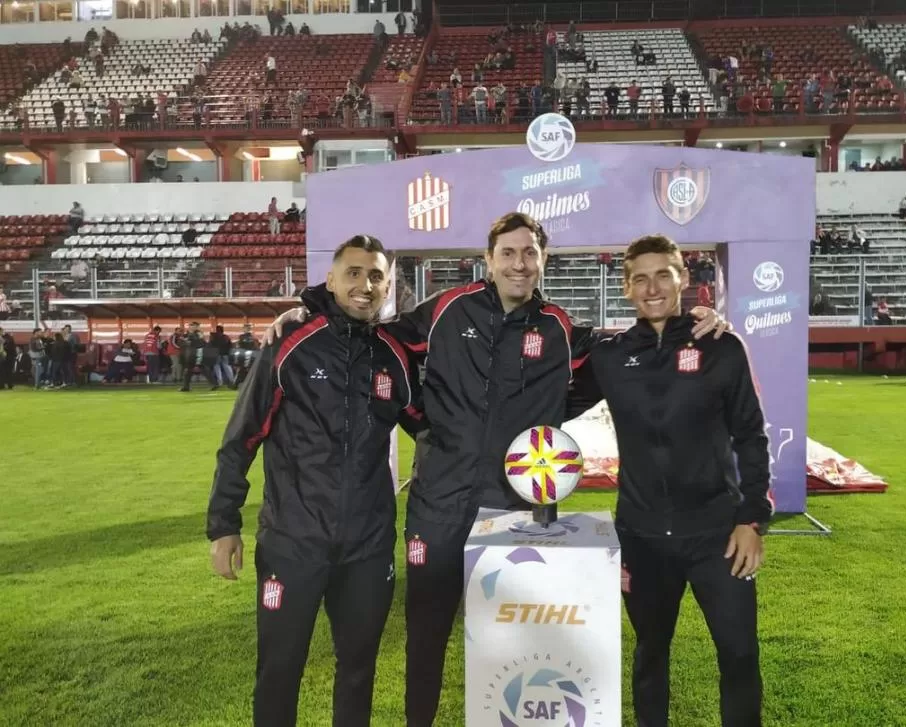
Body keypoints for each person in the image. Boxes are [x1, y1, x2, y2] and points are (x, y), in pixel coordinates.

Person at [264, 212, 728, 726]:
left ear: (543, 260)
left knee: (515, 645)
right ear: (488, 260)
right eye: (507, 253)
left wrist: (696, 324)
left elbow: (636, 347)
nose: (518, 263)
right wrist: (307, 309)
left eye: (529, 252)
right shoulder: (444, 310)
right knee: (426, 637)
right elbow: (366, 328)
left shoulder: (559, 329)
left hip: (517, 517)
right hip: (436, 511)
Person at [207, 235, 423, 727]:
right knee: (280, 669)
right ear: (330, 278)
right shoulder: (291, 344)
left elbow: (428, 421)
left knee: (357, 670)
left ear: (387, 285)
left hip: (367, 549)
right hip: (292, 543)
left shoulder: (393, 355)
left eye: (375, 277)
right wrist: (223, 525)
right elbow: (242, 437)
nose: (364, 285)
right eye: (353, 273)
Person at [568, 234, 772, 727]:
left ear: (684, 278)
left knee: (740, 654)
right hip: (641, 538)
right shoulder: (610, 356)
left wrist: (751, 520)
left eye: (664, 274)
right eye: (640, 278)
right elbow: (552, 397)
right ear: (625, 287)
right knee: (650, 656)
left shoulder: (721, 347)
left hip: (717, 537)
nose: (652, 287)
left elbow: (751, 436)